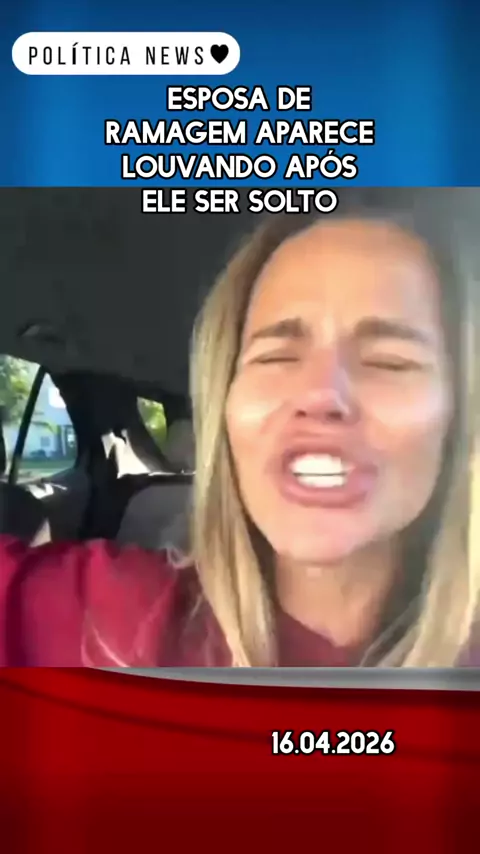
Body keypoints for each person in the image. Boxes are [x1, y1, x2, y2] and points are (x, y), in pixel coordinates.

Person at [0, 189, 478, 667]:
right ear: (225, 410)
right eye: (276, 357)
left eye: (389, 362)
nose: (321, 395)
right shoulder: (110, 623)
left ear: (460, 417)